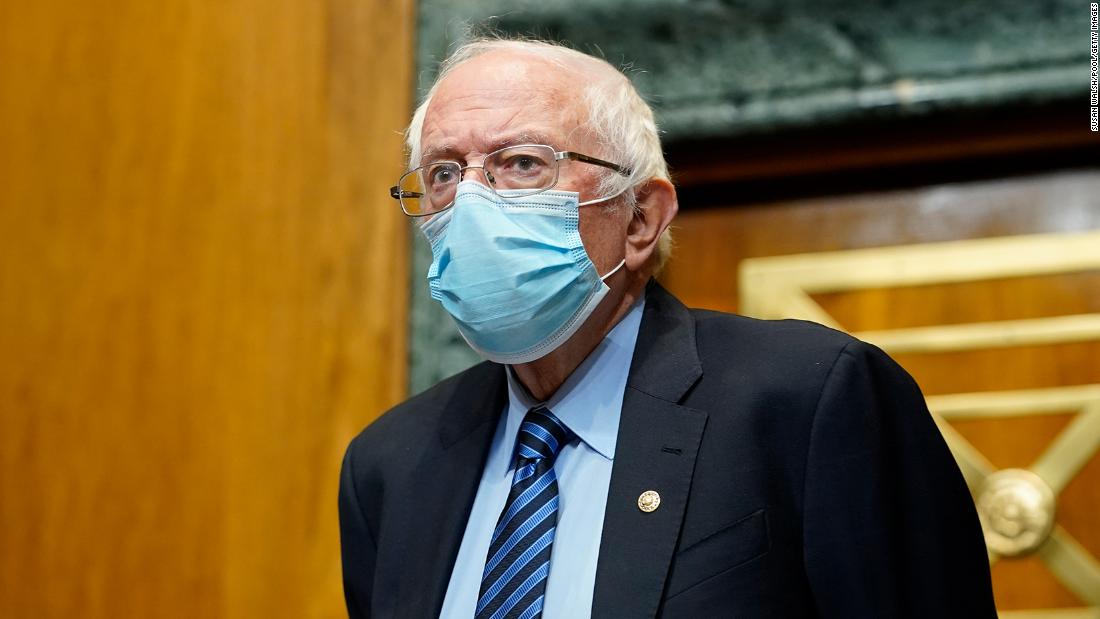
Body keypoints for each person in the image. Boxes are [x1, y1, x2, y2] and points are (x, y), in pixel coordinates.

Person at [338, 38, 996, 618]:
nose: (473, 201)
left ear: (640, 219)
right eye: (444, 173)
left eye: (523, 163)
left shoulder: (808, 400)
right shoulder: (391, 465)